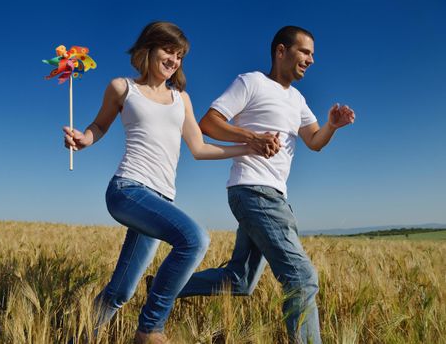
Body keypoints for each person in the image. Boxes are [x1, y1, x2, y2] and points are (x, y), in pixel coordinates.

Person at [63, 21, 263, 344]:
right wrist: (84, 139)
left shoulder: (180, 99)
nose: (174, 60)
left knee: (121, 291)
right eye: (168, 50)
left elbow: (199, 148)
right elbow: (99, 126)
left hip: (161, 201)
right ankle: (150, 329)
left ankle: (75, 339)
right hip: (127, 190)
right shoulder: (122, 88)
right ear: (149, 49)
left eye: (180, 55)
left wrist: (246, 148)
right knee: (195, 239)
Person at [177, 26, 355, 343]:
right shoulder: (251, 82)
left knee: (240, 279)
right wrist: (252, 137)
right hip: (253, 190)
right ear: (281, 51)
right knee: (302, 278)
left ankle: (164, 284)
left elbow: (314, 141)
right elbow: (209, 123)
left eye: (313, 54)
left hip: (276, 196)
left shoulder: (298, 99)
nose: (312, 60)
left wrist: (332, 125)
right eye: (305, 52)